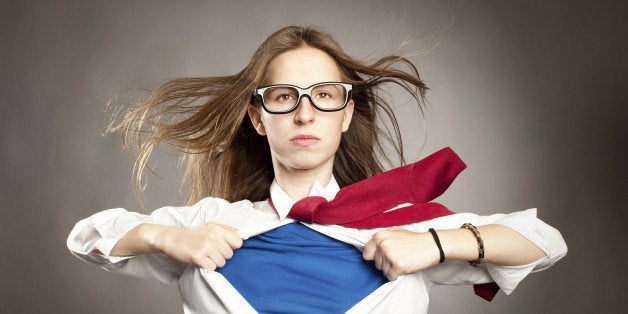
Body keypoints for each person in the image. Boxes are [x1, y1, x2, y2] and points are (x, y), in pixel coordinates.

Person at [67, 25, 567, 313]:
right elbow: (87, 237)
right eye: (284, 97)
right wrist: (163, 237)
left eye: (324, 96)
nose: (305, 113)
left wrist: (434, 243)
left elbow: (544, 242)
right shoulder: (211, 225)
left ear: (346, 113)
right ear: (258, 118)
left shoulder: (402, 228)